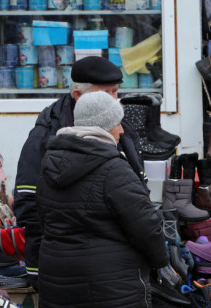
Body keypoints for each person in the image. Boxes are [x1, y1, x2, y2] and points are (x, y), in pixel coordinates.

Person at [13, 56, 145, 290]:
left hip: (110, 266)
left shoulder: (120, 128)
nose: (115, 100)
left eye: (117, 92)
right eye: (107, 93)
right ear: (78, 96)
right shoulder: (46, 136)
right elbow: (28, 207)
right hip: (60, 270)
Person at [37, 91, 168, 308]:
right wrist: (162, 262)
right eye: (117, 123)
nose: (122, 130)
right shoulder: (114, 169)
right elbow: (147, 228)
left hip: (57, 283)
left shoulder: (50, 164)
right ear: (105, 126)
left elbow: (43, 219)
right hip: (111, 290)